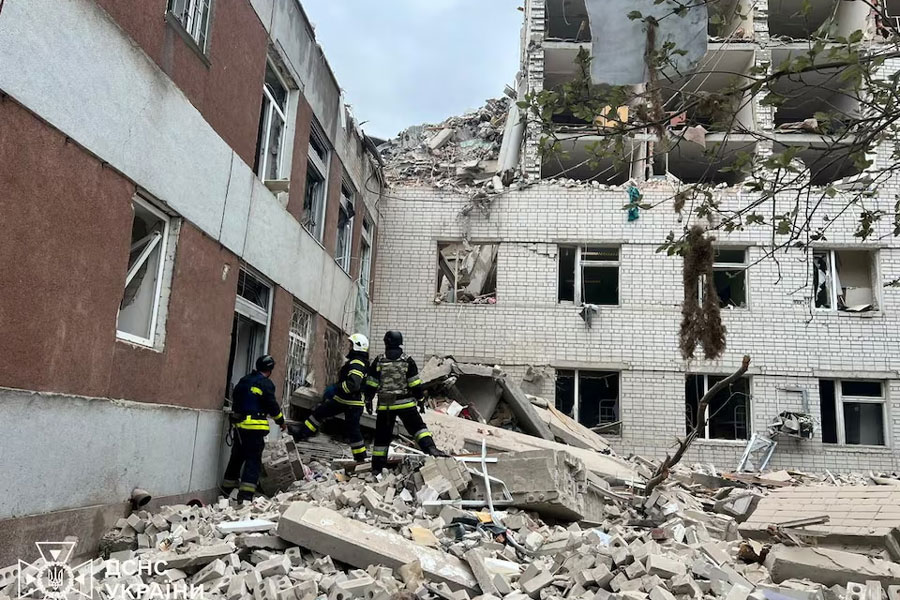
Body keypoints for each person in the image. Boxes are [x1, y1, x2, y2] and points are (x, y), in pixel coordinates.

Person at [365, 330, 446, 474]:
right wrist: (420, 400)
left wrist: (368, 399)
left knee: (382, 437)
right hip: (406, 404)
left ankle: (377, 468)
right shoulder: (407, 360)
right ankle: (431, 449)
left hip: (386, 406)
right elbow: (414, 383)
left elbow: (371, 383)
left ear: (386, 342)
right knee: (419, 429)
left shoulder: (379, 360)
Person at [289, 334, 371, 462]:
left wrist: (336, 389)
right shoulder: (357, 361)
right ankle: (302, 433)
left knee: (353, 431)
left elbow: (353, 384)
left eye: (351, 345)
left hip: (351, 402)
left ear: (357, 346)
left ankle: (361, 458)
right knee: (319, 413)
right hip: (343, 400)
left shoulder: (357, 363)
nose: (348, 347)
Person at [222, 354, 285, 501]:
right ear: (270, 370)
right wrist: (281, 421)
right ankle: (245, 496)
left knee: (236, 458)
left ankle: (225, 491)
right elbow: (272, 406)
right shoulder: (265, 383)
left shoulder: (244, 380)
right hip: (254, 429)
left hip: (239, 428)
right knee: (253, 461)